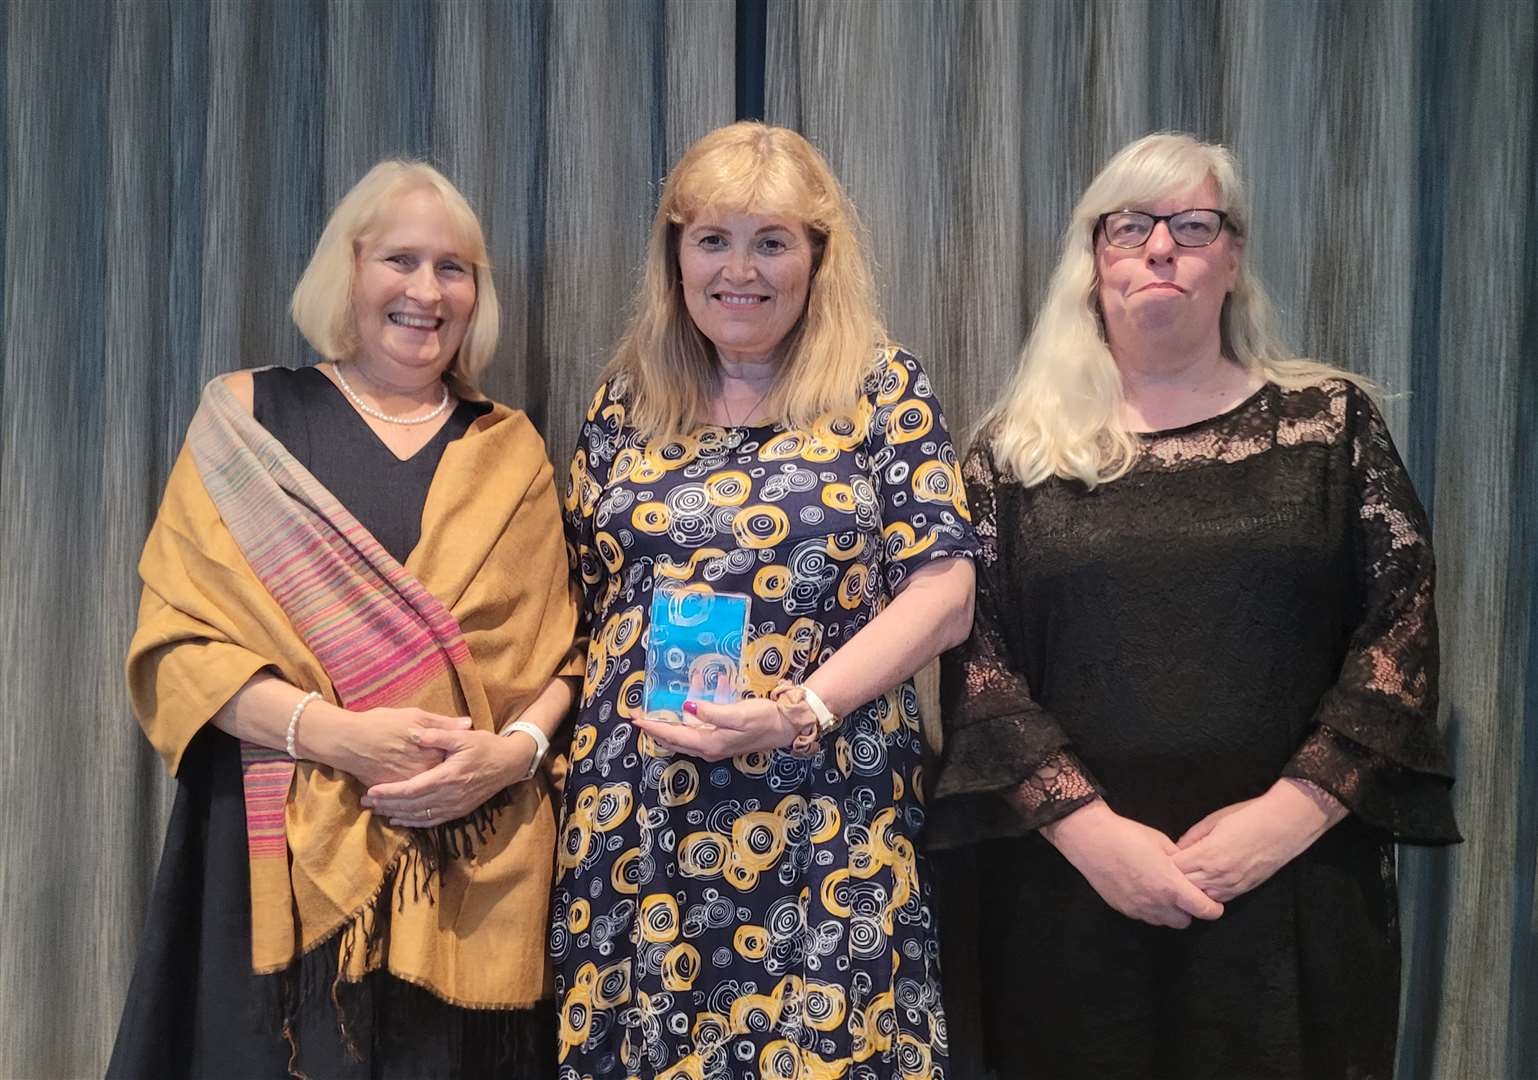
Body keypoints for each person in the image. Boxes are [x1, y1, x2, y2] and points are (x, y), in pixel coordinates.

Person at [929, 131, 1461, 1080]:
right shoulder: (1012, 455)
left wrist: (1288, 818)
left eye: (1191, 224)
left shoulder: (1329, 426)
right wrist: (1090, 834)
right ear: (1094, 263)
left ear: (1233, 256)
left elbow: (1403, 628)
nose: (1160, 247)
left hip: (1294, 891)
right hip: (1067, 895)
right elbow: (978, 663)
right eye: (1129, 227)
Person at [107, 161, 583, 1078]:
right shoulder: (246, 419)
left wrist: (508, 756)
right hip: (269, 871)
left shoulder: (510, 448)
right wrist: (339, 736)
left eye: (454, 268)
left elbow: (560, 660)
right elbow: (175, 649)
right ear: (348, 271)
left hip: (464, 872)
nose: (426, 291)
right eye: (399, 259)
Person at [552, 121, 977, 1079]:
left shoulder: (880, 387)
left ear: (817, 257)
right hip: (638, 819)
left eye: (772, 241)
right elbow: (583, 610)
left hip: (824, 812)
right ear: (675, 255)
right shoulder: (625, 399)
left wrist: (798, 710)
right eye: (712, 239)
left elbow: (945, 594)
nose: (739, 270)